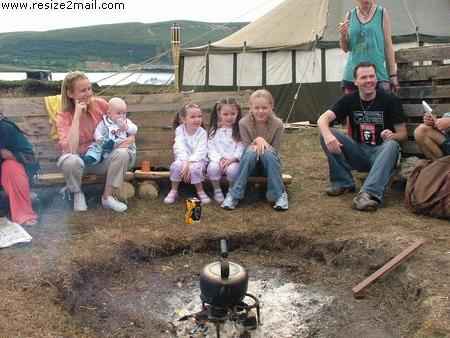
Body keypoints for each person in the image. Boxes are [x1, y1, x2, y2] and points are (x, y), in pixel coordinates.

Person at [317, 62, 407, 212]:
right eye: (364, 77)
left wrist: (393, 135)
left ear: (377, 79)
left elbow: (403, 134)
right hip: (359, 151)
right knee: (327, 133)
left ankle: (368, 194)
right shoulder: (349, 100)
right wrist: (327, 136)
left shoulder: (390, 100)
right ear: (356, 82)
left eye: (372, 76)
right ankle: (343, 182)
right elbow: (322, 119)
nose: (369, 80)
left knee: (392, 145)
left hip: (382, 153)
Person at [56, 71, 134, 213]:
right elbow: (72, 150)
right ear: (70, 93)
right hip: (79, 164)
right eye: (82, 90)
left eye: (89, 89)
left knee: (123, 154)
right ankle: (77, 194)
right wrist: (77, 116)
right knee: (70, 160)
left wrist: (129, 138)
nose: (88, 94)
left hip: (101, 159)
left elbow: (123, 125)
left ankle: (107, 197)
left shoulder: (101, 105)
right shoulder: (63, 116)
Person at [221, 89, 288, 211]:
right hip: (250, 165)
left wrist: (262, 142)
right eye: (256, 108)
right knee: (251, 151)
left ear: (271, 107)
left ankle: (279, 195)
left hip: (269, 165)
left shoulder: (278, 124)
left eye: (264, 107)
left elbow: (275, 151)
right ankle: (235, 195)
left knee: (267, 153)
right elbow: (246, 149)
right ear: (250, 107)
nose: (260, 111)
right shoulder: (243, 123)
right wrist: (257, 139)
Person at [338, 0, 398, 94]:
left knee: (381, 107)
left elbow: (388, 45)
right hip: (352, 76)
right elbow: (346, 49)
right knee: (353, 108)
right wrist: (342, 35)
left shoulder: (381, 13)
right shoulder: (350, 15)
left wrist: (392, 74)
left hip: (378, 75)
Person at [163, 103, 211, 204]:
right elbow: (179, 147)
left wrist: (189, 162)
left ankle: (200, 191)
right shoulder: (180, 130)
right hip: (183, 159)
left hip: (198, 160)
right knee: (176, 166)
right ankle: (174, 190)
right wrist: (185, 161)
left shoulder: (202, 132)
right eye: (193, 117)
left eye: (199, 116)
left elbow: (201, 150)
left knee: (195, 168)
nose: (197, 119)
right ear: (184, 119)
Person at [0, 114, 39, 225]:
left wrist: (12, 155)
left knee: (10, 166)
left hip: (19, 171)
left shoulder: (4, 127)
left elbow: (29, 158)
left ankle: (24, 214)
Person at [206, 97, 244, 203]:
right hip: (218, 160)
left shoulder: (239, 130)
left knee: (233, 170)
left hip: (233, 160)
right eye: (225, 114)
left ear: (238, 113)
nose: (229, 117)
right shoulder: (214, 130)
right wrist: (220, 159)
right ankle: (217, 190)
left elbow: (241, 147)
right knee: (212, 168)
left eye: (233, 114)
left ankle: (231, 190)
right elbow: (211, 148)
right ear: (219, 114)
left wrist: (233, 158)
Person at [82, 97, 137, 167]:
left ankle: (103, 153)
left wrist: (127, 128)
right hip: (105, 143)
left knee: (122, 143)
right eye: (119, 113)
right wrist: (99, 138)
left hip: (119, 144)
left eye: (124, 113)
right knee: (95, 146)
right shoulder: (104, 122)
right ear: (109, 114)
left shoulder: (126, 122)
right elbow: (97, 131)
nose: (122, 116)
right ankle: (91, 158)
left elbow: (135, 129)